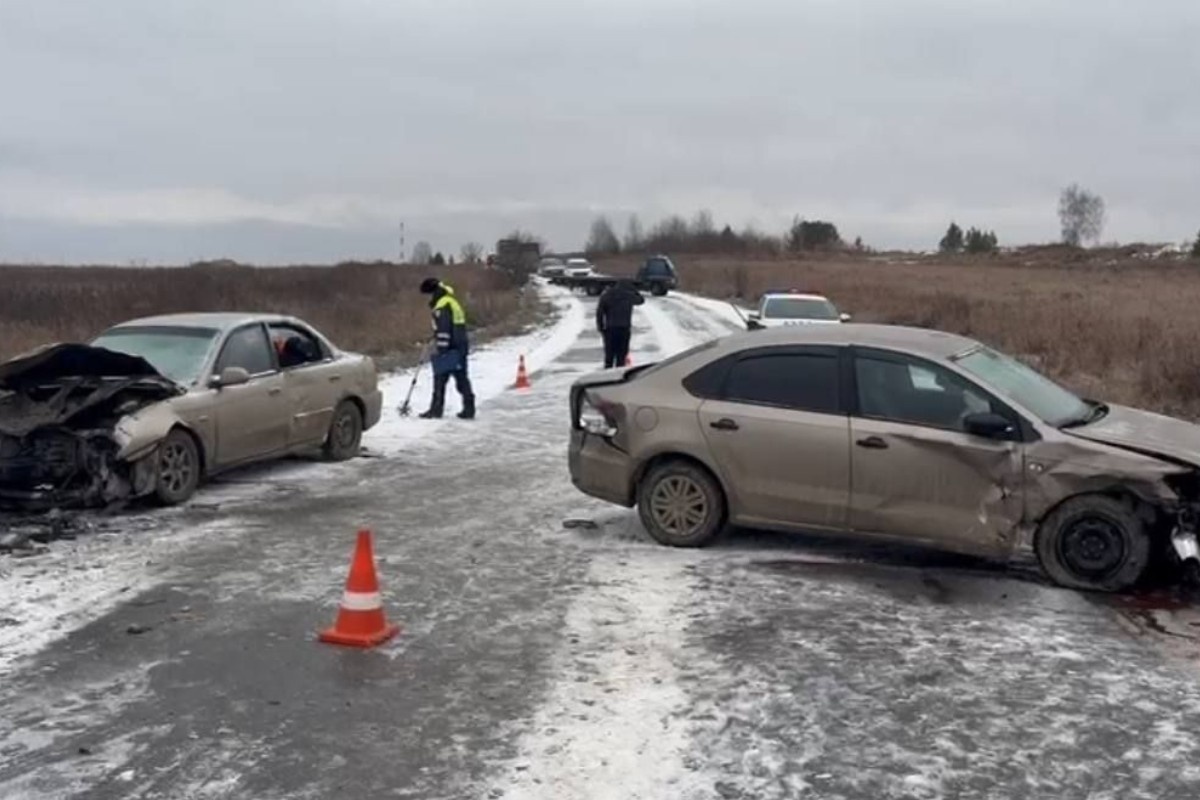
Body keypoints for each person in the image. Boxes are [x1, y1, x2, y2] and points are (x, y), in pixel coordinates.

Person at [418, 277, 476, 420]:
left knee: (440, 379)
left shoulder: (442, 305)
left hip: (450, 348)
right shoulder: (451, 301)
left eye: (428, 294)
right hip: (460, 345)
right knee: (462, 379)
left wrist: (442, 349)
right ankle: (469, 409)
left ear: (433, 292)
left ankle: (436, 410)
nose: (428, 298)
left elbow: (444, 329)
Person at [596, 279, 645, 368]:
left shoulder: (607, 295)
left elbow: (600, 312)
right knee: (621, 356)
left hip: (610, 329)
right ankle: (618, 375)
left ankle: (607, 375)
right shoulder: (629, 295)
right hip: (624, 329)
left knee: (609, 356)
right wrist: (634, 290)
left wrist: (601, 327)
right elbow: (641, 300)